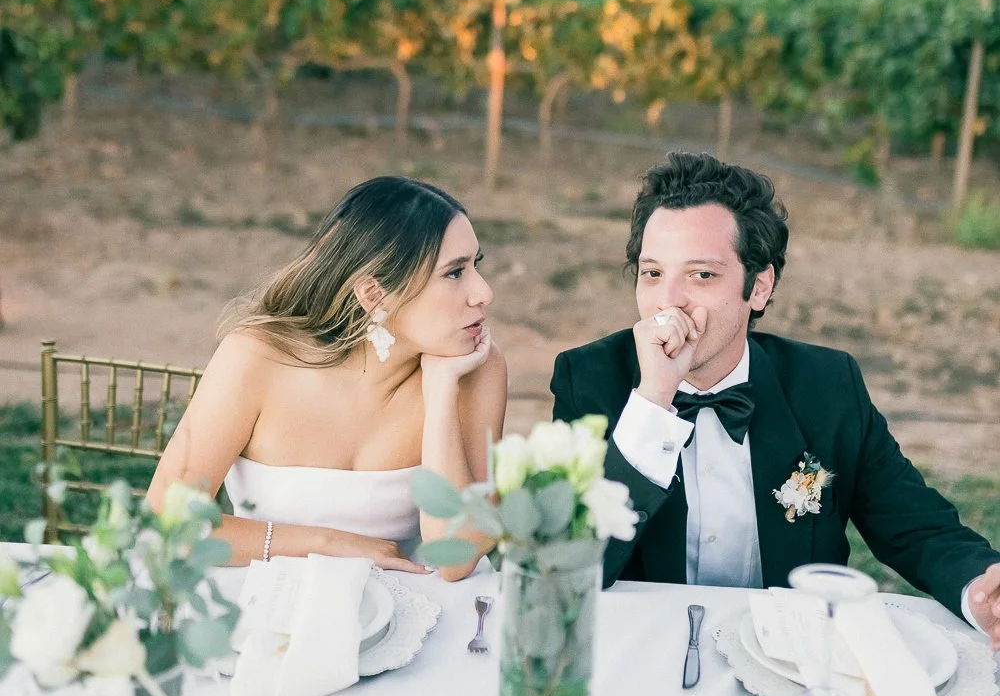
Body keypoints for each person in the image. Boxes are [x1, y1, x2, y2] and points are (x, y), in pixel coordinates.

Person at [550, 151, 1000, 646]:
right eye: (652, 273)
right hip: (644, 656)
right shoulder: (587, 380)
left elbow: (916, 526)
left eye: (702, 275)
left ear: (759, 287)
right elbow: (566, 567)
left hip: (792, 658)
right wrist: (653, 400)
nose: (668, 300)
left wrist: (980, 589)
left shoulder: (828, 384)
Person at [148, 176, 505, 581]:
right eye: (454, 273)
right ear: (374, 295)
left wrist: (441, 393)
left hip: (414, 598)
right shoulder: (255, 357)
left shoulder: (476, 367)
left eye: (475, 265)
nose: (484, 292)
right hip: (262, 594)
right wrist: (328, 544)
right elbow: (167, 521)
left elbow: (457, 560)